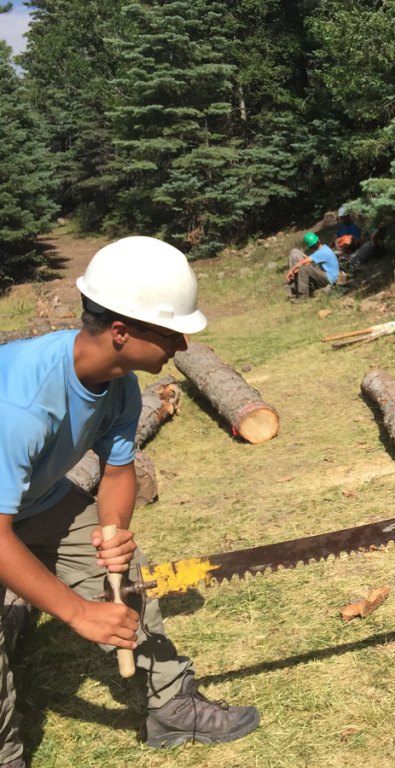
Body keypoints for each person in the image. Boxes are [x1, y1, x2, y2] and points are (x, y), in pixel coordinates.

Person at [0, 237, 260, 765]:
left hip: (39, 501)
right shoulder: (21, 404)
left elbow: (118, 470)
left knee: (129, 575)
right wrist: (77, 612)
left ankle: (172, 706)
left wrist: (112, 530)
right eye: (171, 332)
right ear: (120, 332)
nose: (182, 347)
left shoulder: (116, 383)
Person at [286, 231, 340, 299]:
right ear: (318, 240)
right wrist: (296, 271)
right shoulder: (324, 248)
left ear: (310, 246)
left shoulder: (321, 252)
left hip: (330, 278)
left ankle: (303, 296)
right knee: (302, 266)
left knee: (304, 269)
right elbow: (309, 262)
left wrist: (290, 271)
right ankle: (299, 288)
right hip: (329, 275)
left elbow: (302, 262)